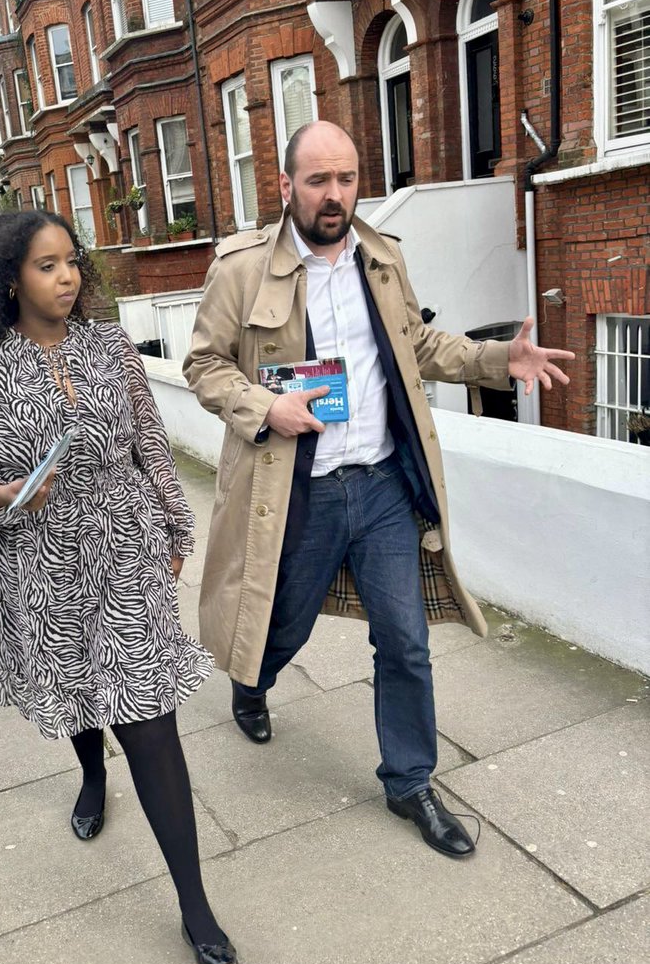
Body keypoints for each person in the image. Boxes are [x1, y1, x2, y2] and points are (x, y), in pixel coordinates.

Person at [183, 121, 574, 860]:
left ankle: (410, 782)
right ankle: (254, 681)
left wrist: (499, 358)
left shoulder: (382, 257)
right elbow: (204, 365)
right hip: (300, 487)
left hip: (386, 484)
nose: (335, 195)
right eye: (319, 181)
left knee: (405, 640)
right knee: (280, 623)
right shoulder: (239, 270)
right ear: (288, 186)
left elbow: (420, 347)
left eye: (347, 178)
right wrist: (267, 407)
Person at [0, 210, 235, 964]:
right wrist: (3, 495)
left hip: (125, 550)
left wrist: (175, 528)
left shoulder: (109, 345)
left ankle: (193, 903)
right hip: (37, 563)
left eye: (72, 262)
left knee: (150, 719)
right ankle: (91, 773)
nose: (67, 277)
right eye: (46, 265)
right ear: (9, 278)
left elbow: (150, 444)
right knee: (75, 695)